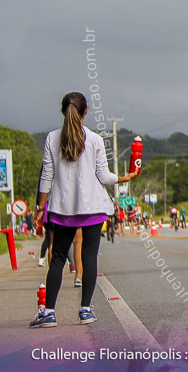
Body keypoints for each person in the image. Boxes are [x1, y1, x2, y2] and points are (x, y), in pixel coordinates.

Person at [31, 92, 138, 328]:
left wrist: (40, 208)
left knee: (58, 258)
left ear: (62, 111)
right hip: (93, 208)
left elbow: (46, 177)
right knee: (89, 258)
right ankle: (85, 311)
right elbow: (104, 176)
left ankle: (48, 312)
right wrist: (125, 177)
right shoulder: (95, 140)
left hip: (62, 210)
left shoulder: (51, 138)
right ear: (86, 111)